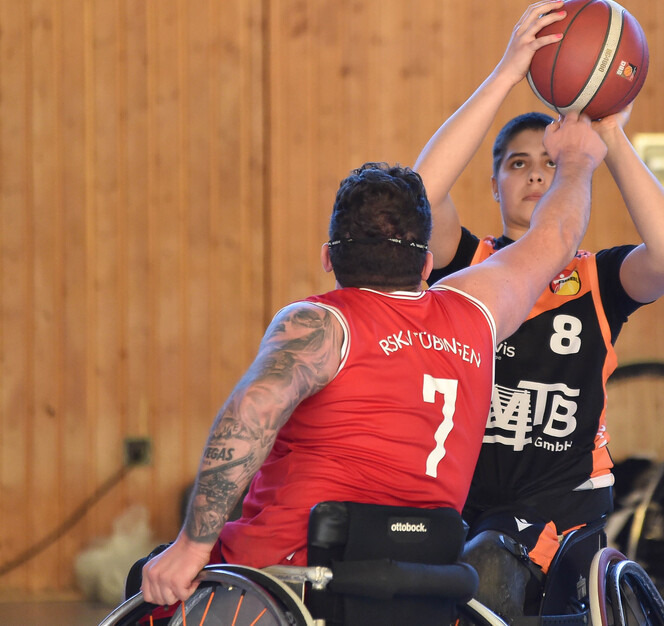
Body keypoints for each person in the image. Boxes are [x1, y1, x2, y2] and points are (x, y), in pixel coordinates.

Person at [139, 111, 608, 607]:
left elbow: (251, 412)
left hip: (287, 583)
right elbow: (557, 236)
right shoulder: (476, 313)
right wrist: (578, 160)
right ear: (426, 263)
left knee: (150, 581)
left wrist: (191, 547)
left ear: (328, 257)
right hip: (421, 586)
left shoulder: (319, 324)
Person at [413, 0, 664, 616]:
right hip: (460, 496)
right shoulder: (468, 263)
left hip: (560, 508)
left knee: (490, 568)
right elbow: (421, 193)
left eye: (550, 161)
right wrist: (506, 74)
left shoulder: (596, 278)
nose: (538, 175)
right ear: (494, 185)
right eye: (518, 164)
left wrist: (608, 136)